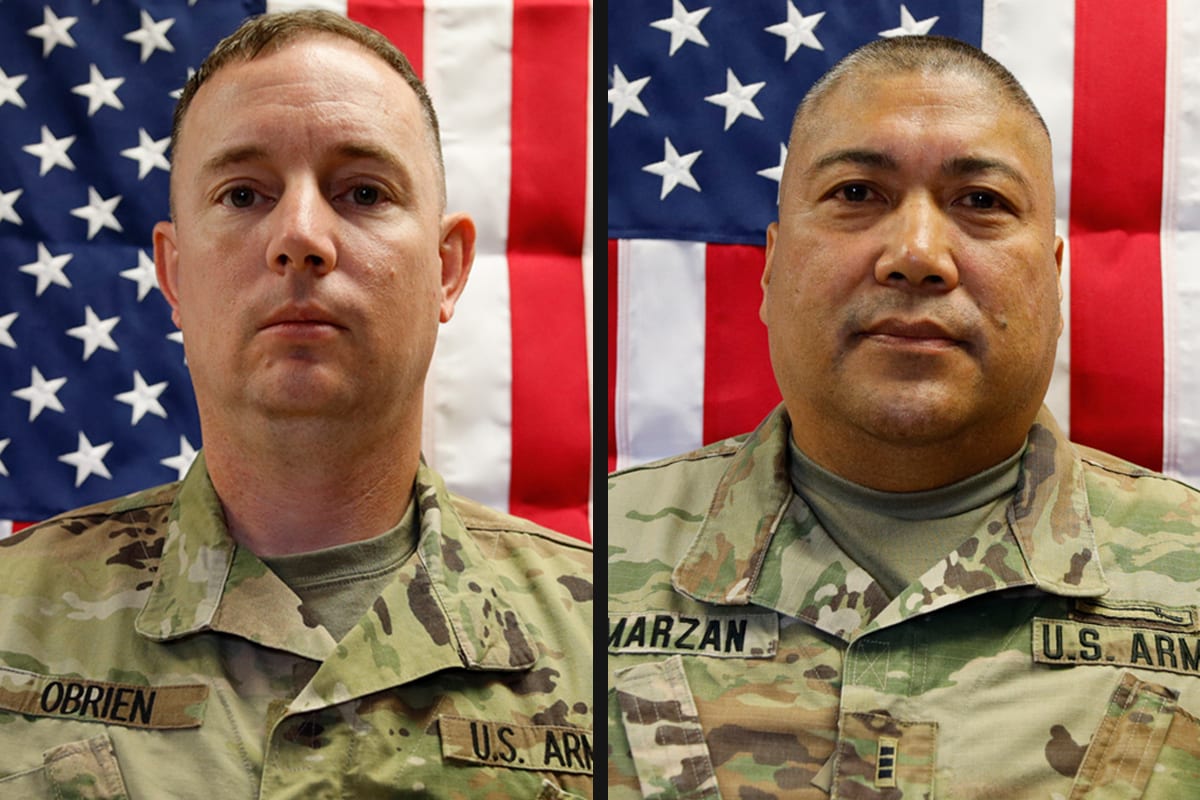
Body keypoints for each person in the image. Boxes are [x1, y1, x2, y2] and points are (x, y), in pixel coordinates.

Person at [0, 11, 592, 798]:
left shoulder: (606, 640)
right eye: (243, 193)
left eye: (364, 192)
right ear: (174, 275)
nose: (301, 236)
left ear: (446, 270)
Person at [607, 35, 1200, 799]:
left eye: (981, 203)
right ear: (771, 267)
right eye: (857, 194)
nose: (917, 254)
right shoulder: (593, 568)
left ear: (1054, 284)